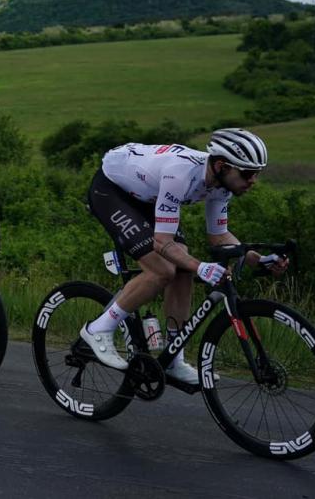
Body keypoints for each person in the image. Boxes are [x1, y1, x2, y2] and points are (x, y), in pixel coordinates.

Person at [78, 128, 287, 383]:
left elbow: (219, 236)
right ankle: (98, 329)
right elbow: (162, 243)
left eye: (256, 173)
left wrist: (256, 258)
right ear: (222, 166)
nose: (253, 180)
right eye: (247, 173)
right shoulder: (181, 175)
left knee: (184, 269)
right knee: (162, 270)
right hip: (112, 190)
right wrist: (202, 267)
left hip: (148, 196)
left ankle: (173, 359)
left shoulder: (222, 186)